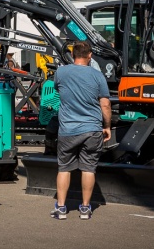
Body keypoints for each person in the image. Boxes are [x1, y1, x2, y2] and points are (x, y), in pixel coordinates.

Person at [51, 40, 111, 220]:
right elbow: (105, 104)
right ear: (90, 55)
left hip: (68, 129)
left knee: (64, 168)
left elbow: (58, 90)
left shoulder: (61, 72)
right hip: (92, 129)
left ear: (73, 54)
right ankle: (85, 208)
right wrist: (106, 126)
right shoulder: (97, 75)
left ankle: (61, 208)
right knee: (89, 168)